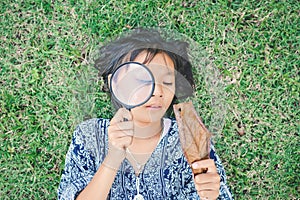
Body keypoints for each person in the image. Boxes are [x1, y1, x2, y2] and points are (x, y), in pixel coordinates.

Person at [57, 28, 233, 200]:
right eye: (142, 79)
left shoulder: (189, 138)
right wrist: (112, 160)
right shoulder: (89, 135)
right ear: (114, 82)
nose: (157, 91)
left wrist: (210, 196)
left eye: (166, 81)